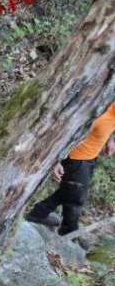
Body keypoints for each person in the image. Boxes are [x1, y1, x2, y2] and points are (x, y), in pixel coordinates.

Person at [25, 102, 115, 249]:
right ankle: (69, 233)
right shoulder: (100, 114)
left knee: (70, 191)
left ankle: (38, 214)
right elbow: (64, 133)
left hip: (91, 157)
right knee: (76, 200)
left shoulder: (110, 107)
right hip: (76, 160)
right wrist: (55, 161)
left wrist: (109, 140)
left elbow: (109, 125)